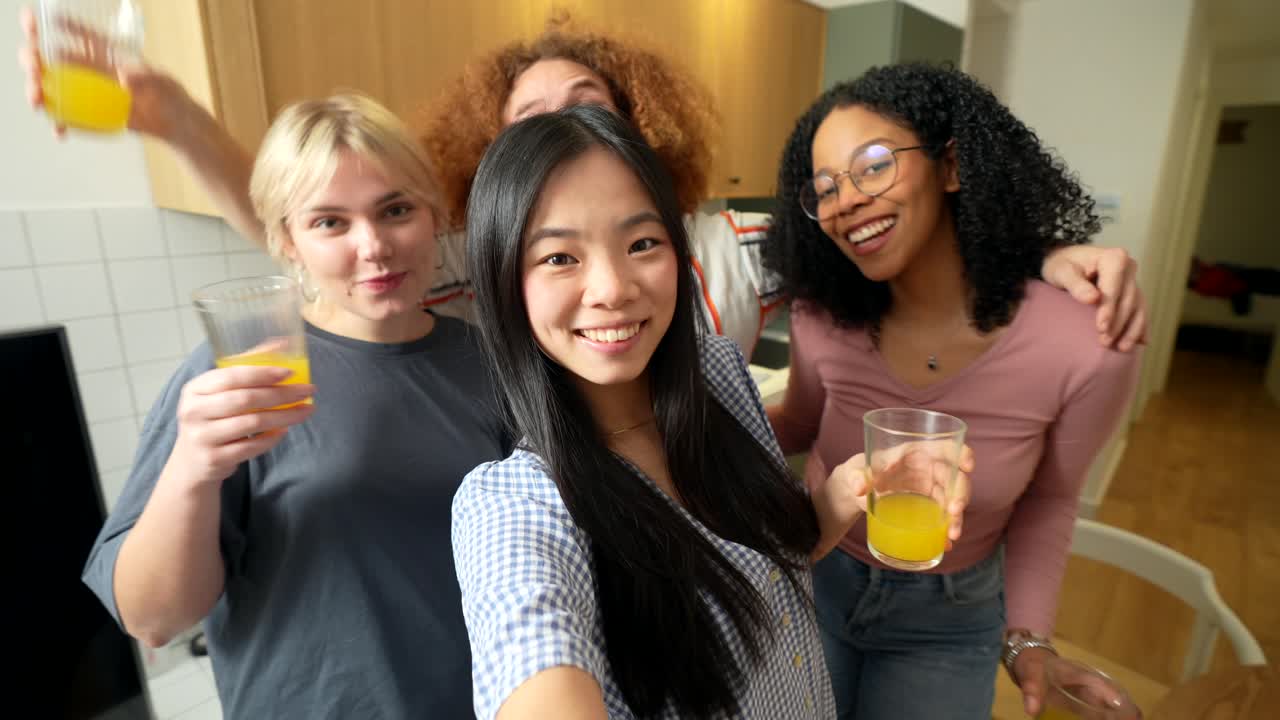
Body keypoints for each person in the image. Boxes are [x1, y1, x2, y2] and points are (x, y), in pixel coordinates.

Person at [18, 9, 1147, 356]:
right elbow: (283, 222)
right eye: (529, 124)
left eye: (587, 110)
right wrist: (169, 118)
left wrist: (1041, 248)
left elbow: (883, 240)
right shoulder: (469, 256)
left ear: (640, 125)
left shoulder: (718, 239)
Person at [453, 103, 914, 719]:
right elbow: (530, 645)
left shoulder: (718, 376)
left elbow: (771, 561)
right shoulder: (517, 505)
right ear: (505, 281)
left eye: (642, 243)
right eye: (560, 257)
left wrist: (841, 496)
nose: (614, 288)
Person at [80, 93, 508, 718]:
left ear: (437, 213)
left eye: (395, 210)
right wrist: (194, 470)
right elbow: (153, 618)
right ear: (286, 240)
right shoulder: (237, 375)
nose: (374, 246)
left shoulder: (489, 363)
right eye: (330, 222)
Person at [762, 63, 1143, 719]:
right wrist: (667, 442)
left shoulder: (1086, 343)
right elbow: (796, 424)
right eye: (823, 188)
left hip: (950, 622)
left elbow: (1050, 497)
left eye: (874, 164)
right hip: (816, 582)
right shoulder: (821, 317)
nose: (844, 200)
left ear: (952, 166)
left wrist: (1027, 641)